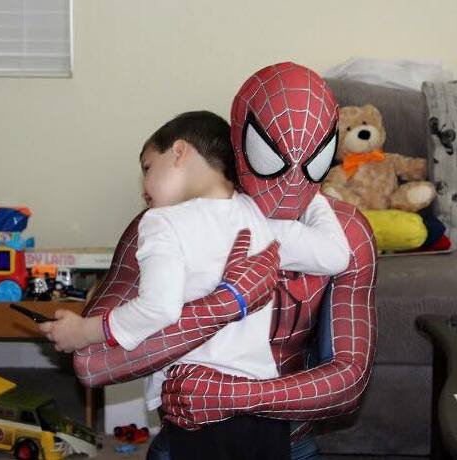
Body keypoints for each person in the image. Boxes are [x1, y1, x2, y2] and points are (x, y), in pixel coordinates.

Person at [73, 63, 377, 460]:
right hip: (191, 439)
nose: (290, 184)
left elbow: (350, 380)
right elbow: (93, 363)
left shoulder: (346, 231)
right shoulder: (171, 222)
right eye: (273, 155)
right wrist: (227, 303)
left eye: (311, 160)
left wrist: (235, 395)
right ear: (240, 143)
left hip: (289, 441)